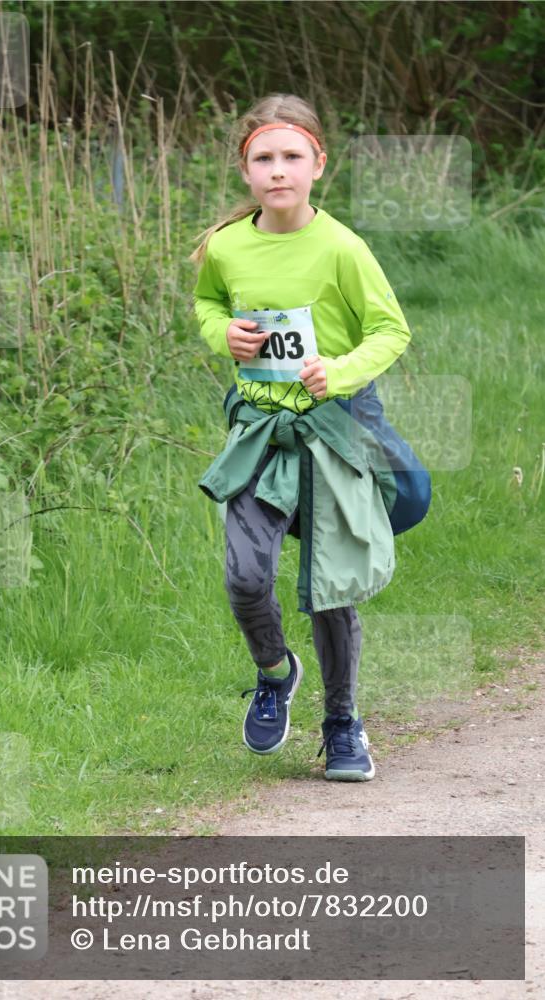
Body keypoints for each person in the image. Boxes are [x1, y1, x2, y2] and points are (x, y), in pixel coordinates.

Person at [190, 93, 429, 781]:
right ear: (244, 170)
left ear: (317, 164)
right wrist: (220, 333)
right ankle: (274, 671)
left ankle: (342, 724)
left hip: (333, 428)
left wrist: (341, 370)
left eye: (291, 156)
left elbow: (390, 331)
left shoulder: (341, 248)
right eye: (263, 158)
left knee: (330, 587)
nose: (277, 170)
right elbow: (208, 303)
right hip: (260, 428)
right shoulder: (227, 246)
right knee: (244, 576)